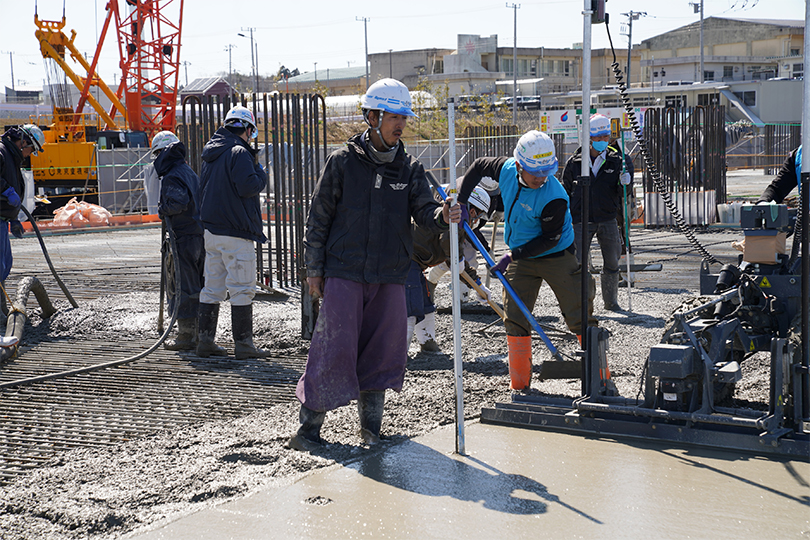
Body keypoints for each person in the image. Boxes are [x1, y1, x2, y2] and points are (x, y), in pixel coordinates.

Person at [290, 78, 461, 451]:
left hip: (389, 275)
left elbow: (424, 211)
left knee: (382, 352)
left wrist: (443, 214)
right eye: (394, 116)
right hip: (344, 271)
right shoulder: (342, 163)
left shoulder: (410, 169)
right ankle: (308, 432)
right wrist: (314, 269)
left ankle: (370, 429)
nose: (400, 124)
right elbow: (318, 218)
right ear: (372, 116)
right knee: (332, 350)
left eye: (404, 117)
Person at [458, 130, 596, 391]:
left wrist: (511, 256)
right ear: (519, 166)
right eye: (535, 172)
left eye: (547, 172)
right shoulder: (507, 169)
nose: (541, 178)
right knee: (515, 316)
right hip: (520, 254)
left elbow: (549, 239)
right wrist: (462, 201)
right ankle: (519, 386)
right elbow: (477, 167)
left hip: (556, 255)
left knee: (579, 313)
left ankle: (599, 380)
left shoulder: (554, 195)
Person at [197, 105, 269, 360]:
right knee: (242, 287)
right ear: (248, 129)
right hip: (236, 232)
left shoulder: (211, 153)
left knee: (212, 287)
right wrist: (261, 173)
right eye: (251, 132)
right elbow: (248, 186)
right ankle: (244, 344)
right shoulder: (239, 152)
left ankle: (204, 341)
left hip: (212, 232)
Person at [407, 184, 492, 353]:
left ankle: (428, 345)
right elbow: (450, 245)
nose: (477, 221)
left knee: (426, 304)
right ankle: (397, 354)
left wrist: (478, 285)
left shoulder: (458, 222)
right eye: (479, 216)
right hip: (404, 261)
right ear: (473, 211)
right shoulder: (452, 219)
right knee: (410, 307)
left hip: (414, 263)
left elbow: (456, 260)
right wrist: (457, 259)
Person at [561, 114, 632, 311]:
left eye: (605, 137)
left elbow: (624, 193)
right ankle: (583, 303)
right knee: (578, 263)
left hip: (607, 218)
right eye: (598, 137)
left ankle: (611, 302)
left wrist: (626, 182)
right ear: (589, 138)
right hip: (580, 220)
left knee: (612, 260)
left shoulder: (618, 161)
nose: (602, 141)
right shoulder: (575, 163)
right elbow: (564, 191)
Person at [150, 131, 205, 351]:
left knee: (184, 285)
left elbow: (178, 203)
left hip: (183, 238)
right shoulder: (188, 171)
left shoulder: (173, 174)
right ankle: (201, 333)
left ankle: (186, 336)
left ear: (163, 153)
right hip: (197, 235)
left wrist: (163, 209)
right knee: (197, 284)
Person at [0, 124, 42, 349]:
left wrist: (13, 218)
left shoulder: (11, 157)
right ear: (22, 141)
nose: (30, 154)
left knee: (4, 265)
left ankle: (1, 312)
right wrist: (5, 190)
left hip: (2, 219)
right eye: (31, 149)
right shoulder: (1, 152)